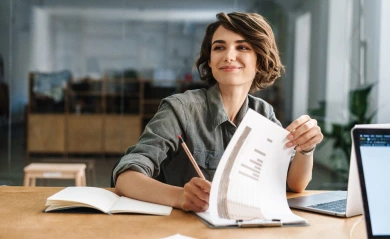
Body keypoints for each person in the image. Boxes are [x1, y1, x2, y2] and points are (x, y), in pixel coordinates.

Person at [114, 12, 323, 212]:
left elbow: (293, 184)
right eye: (219, 47)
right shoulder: (180, 108)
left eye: (242, 47)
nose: (229, 56)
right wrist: (179, 197)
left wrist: (306, 149)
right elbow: (126, 177)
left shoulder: (263, 112)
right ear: (211, 60)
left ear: (260, 59)